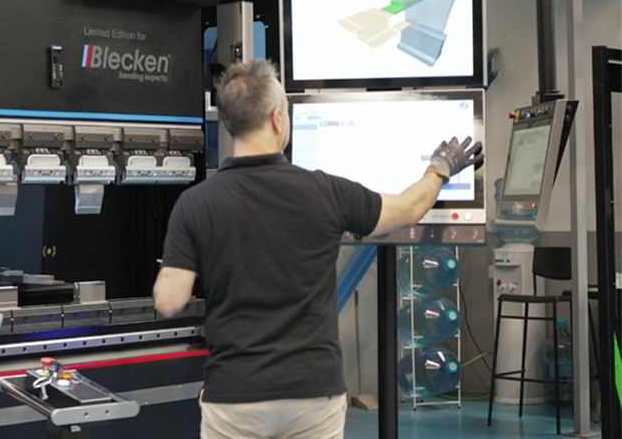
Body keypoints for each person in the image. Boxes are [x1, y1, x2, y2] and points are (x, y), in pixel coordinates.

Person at [152, 60, 483, 439]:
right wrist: (439, 169)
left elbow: (169, 302)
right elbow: (408, 209)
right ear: (278, 119)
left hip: (234, 397)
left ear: (229, 123)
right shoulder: (326, 191)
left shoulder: (195, 203)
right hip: (312, 395)